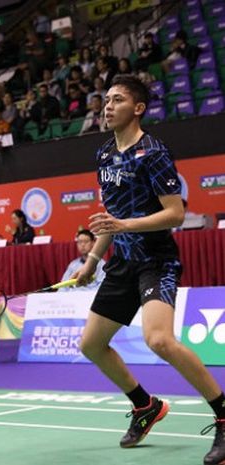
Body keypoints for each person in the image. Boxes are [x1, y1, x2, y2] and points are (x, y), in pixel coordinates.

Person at [72, 74, 224, 464]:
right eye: (105, 99)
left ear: (137, 109)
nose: (107, 106)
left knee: (159, 340)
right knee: (90, 344)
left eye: (117, 100)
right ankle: (145, 406)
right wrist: (91, 260)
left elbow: (175, 213)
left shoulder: (153, 153)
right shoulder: (104, 154)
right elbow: (109, 218)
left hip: (156, 260)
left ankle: (224, 414)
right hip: (121, 261)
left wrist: (123, 225)